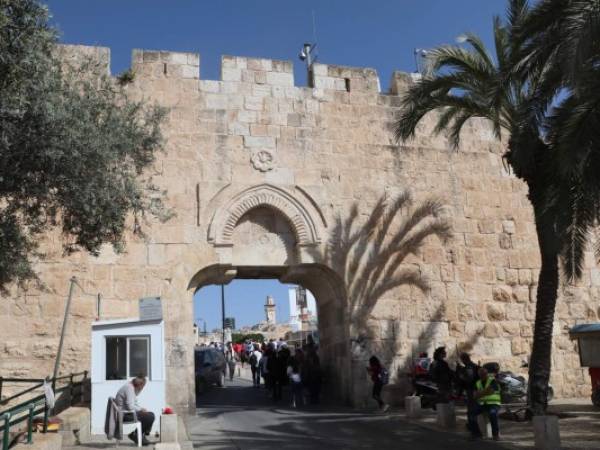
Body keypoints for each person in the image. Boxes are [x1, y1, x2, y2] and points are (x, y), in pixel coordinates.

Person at [114, 375, 154, 446]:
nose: (143, 388)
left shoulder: (130, 387)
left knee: (150, 414)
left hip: (127, 413)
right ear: (140, 385)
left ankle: (138, 435)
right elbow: (130, 406)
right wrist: (140, 409)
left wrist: (141, 409)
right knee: (150, 416)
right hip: (125, 415)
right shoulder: (129, 388)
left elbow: (133, 404)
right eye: (143, 386)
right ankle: (136, 435)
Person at [468, 367, 501, 440]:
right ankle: (477, 434)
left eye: (483, 374)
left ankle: (495, 435)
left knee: (492, 414)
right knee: (471, 414)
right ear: (478, 375)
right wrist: (485, 392)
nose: (482, 375)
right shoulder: (478, 383)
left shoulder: (493, 381)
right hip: (482, 404)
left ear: (486, 374)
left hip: (494, 404)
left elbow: (491, 391)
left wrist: (480, 393)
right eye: (480, 374)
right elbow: (475, 396)